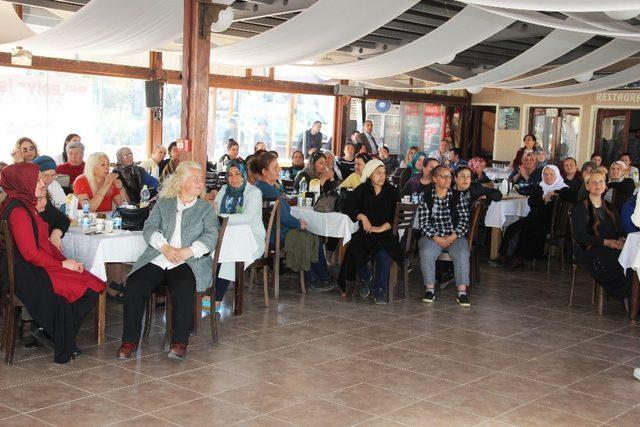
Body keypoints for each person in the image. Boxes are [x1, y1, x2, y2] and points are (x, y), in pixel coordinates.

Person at [0, 163, 104, 363]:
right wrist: (63, 265)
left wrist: (65, 260)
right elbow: (30, 253)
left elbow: (42, 244)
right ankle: (63, 337)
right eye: (37, 179)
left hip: (32, 267)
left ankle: (62, 336)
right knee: (87, 285)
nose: (42, 184)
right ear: (23, 182)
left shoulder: (24, 204)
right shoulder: (18, 211)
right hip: (28, 274)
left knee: (90, 282)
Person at [117, 161, 217, 360]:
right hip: (160, 256)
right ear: (181, 182)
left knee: (183, 284)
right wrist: (165, 247)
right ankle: (129, 341)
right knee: (135, 285)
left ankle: (180, 342)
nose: (200, 183)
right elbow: (150, 228)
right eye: (195, 179)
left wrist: (188, 251)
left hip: (189, 261)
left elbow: (210, 236)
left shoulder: (205, 208)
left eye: (201, 180)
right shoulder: (164, 203)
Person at [254, 152, 333, 291]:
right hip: (274, 236)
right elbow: (283, 216)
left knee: (309, 234)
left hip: (267, 233)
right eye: (275, 167)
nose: (279, 169)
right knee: (310, 236)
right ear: (264, 172)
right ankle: (316, 279)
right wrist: (298, 223)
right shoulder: (270, 191)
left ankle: (321, 276)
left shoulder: (260, 186)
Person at [337, 159, 402, 303]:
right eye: (378, 173)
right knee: (355, 248)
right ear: (369, 174)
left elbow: (398, 216)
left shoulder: (392, 191)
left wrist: (380, 228)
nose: (382, 176)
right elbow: (347, 206)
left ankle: (380, 290)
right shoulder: (362, 189)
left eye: (384, 173)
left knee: (383, 253)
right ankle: (365, 277)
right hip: (367, 232)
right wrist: (362, 216)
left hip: (386, 233)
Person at [212, 161, 265, 310]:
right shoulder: (223, 189)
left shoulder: (253, 193)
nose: (233, 178)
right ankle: (207, 292)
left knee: (232, 253)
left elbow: (247, 217)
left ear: (244, 175)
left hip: (251, 240)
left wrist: (221, 217)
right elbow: (214, 210)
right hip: (225, 237)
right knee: (209, 249)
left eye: (238, 174)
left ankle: (216, 298)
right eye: (230, 174)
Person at [417, 165, 472, 307]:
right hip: (432, 236)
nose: (447, 179)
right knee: (427, 251)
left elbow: (464, 221)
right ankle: (430, 289)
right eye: (443, 176)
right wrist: (436, 238)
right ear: (434, 178)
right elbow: (423, 223)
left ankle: (462, 292)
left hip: (454, 236)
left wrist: (452, 237)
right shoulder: (426, 197)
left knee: (462, 252)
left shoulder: (459, 196)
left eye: (449, 176)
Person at [571, 170, 630, 301]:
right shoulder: (581, 207)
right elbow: (580, 236)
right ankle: (625, 296)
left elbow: (620, 229)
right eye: (593, 182)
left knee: (630, 262)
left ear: (605, 186)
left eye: (601, 182)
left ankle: (631, 298)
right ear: (587, 186)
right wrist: (605, 242)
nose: (597, 185)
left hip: (611, 245)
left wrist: (621, 239)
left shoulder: (609, 206)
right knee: (613, 263)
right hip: (588, 247)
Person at [499, 165, 573, 269]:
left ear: (556, 175)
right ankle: (504, 256)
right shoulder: (540, 186)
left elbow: (573, 195)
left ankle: (518, 258)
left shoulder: (562, 187)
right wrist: (543, 200)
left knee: (526, 230)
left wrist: (555, 192)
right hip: (534, 217)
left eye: (551, 174)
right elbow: (531, 202)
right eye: (545, 174)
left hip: (549, 222)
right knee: (512, 227)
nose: (548, 177)